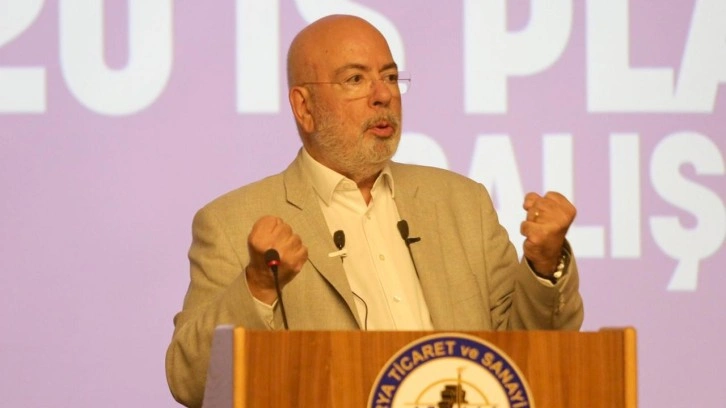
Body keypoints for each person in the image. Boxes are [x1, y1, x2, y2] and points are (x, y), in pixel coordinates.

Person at [165, 14, 584, 408]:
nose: (383, 95)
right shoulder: (231, 222)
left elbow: (527, 355)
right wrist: (257, 286)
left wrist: (544, 265)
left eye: (390, 77)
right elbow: (191, 380)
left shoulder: (462, 203)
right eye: (355, 79)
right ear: (304, 107)